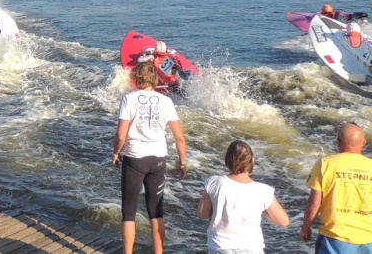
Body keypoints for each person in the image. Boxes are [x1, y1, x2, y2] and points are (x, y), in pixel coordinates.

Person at [112, 61, 187, 254]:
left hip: (135, 159)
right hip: (158, 159)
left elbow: (121, 134)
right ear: (155, 79)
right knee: (156, 212)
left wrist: (116, 152)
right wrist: (183, 161)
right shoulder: (166, 101)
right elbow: (179, 137)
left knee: (129, 212)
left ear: (136, 78)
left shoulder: (129, 99)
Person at [198, 140, 289, 254]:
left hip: (220, 246)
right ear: (252, 161)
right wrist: (264, 212)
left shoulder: (214, 182)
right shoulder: (263, 191)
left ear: (227, 160)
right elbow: (284, 221)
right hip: (251, 247)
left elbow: (202, 214)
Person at [301, 121, 372, 253]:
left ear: (338, 142)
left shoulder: (325, 164)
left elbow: (315, 202)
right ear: (364, 143)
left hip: (334, 237)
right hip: (369, 239)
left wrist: (306, 228)